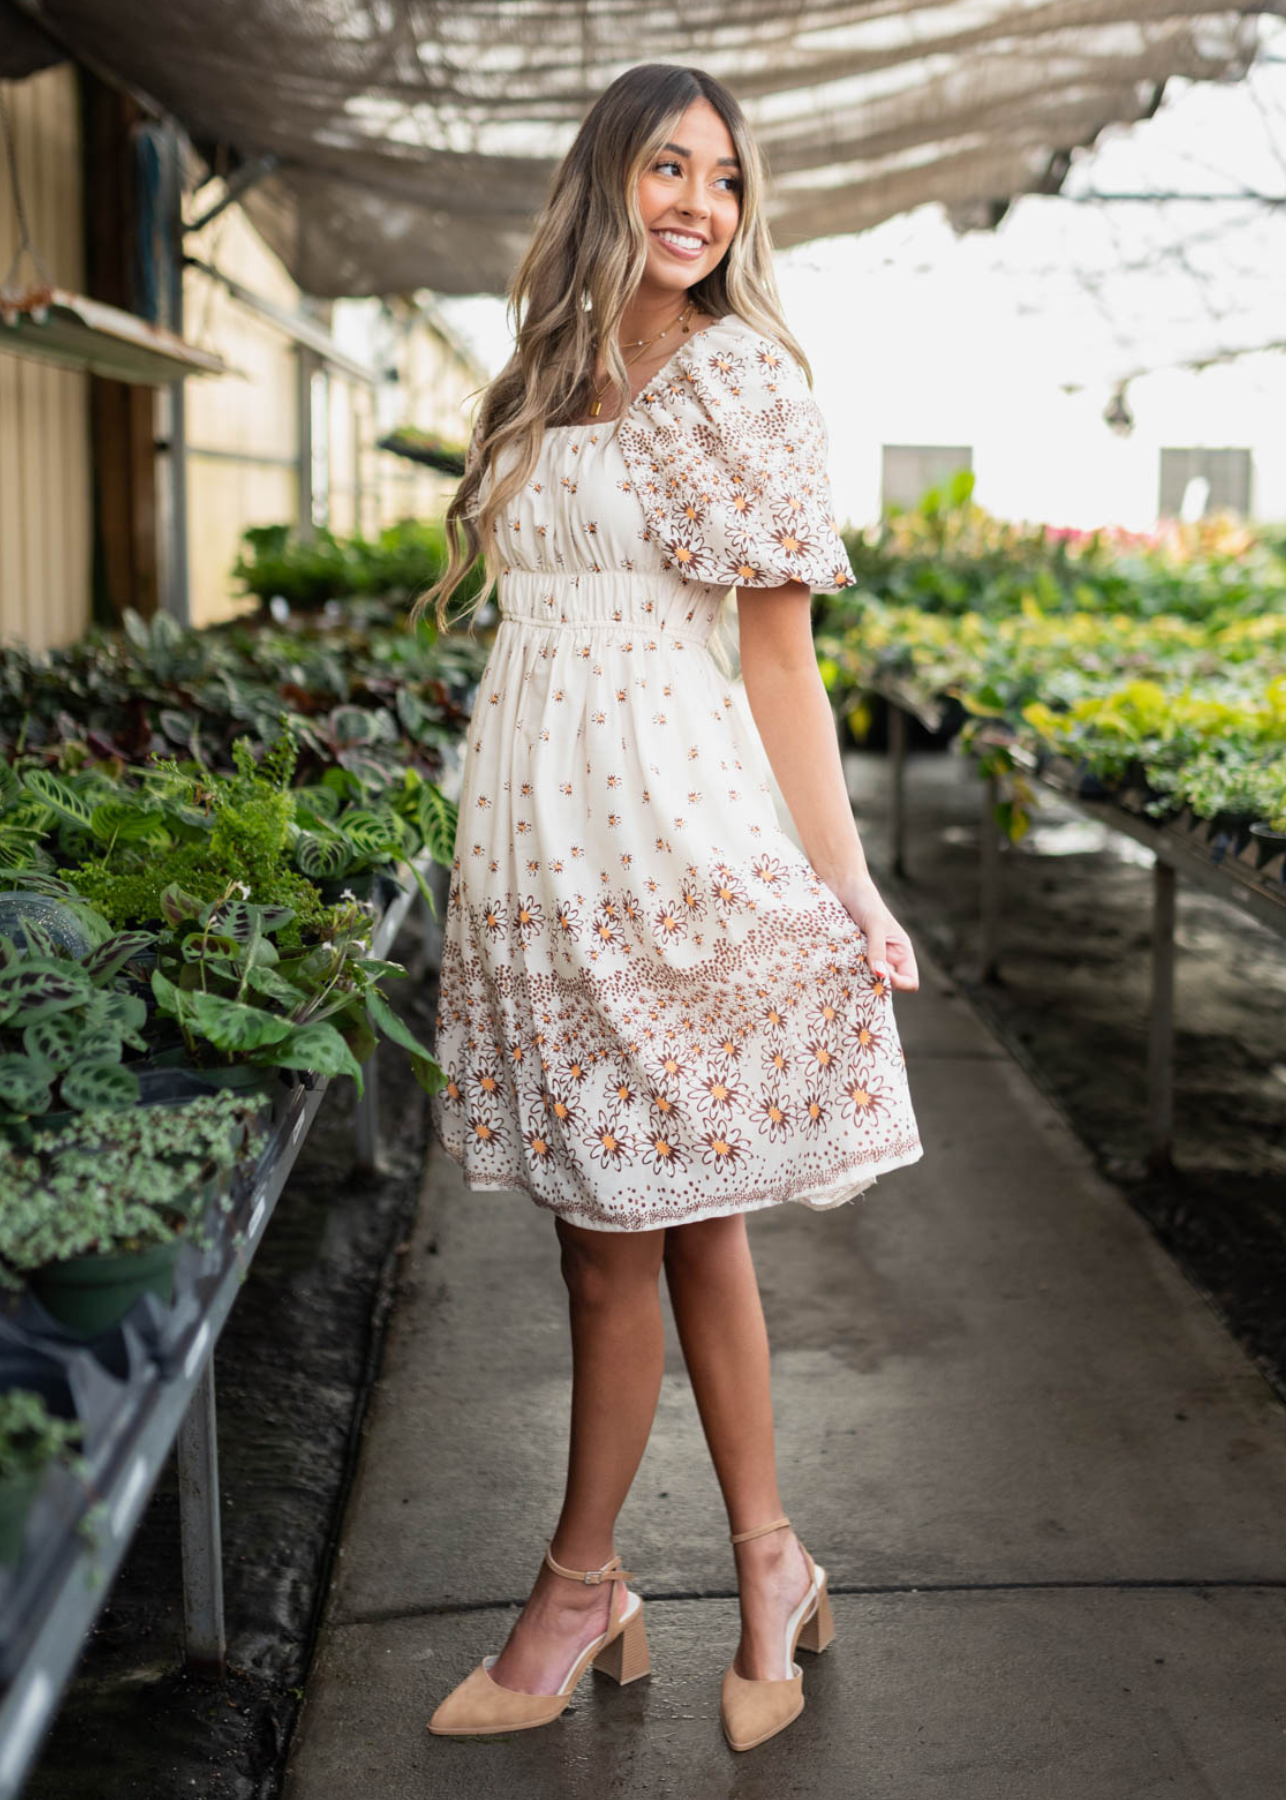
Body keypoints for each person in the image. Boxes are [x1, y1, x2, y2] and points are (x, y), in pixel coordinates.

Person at [415, 60, 924, 1752]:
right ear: (603, 183)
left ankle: (578, 1588)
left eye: (722, 176)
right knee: (648, 1228)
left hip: (673, 855)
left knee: (621, 1247)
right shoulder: (550, 372)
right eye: (664, 168)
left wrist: (848, 884)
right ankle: (761, 1562)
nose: (700, 201)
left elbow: (778, 660)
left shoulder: (740, 385)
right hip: (541, 858)